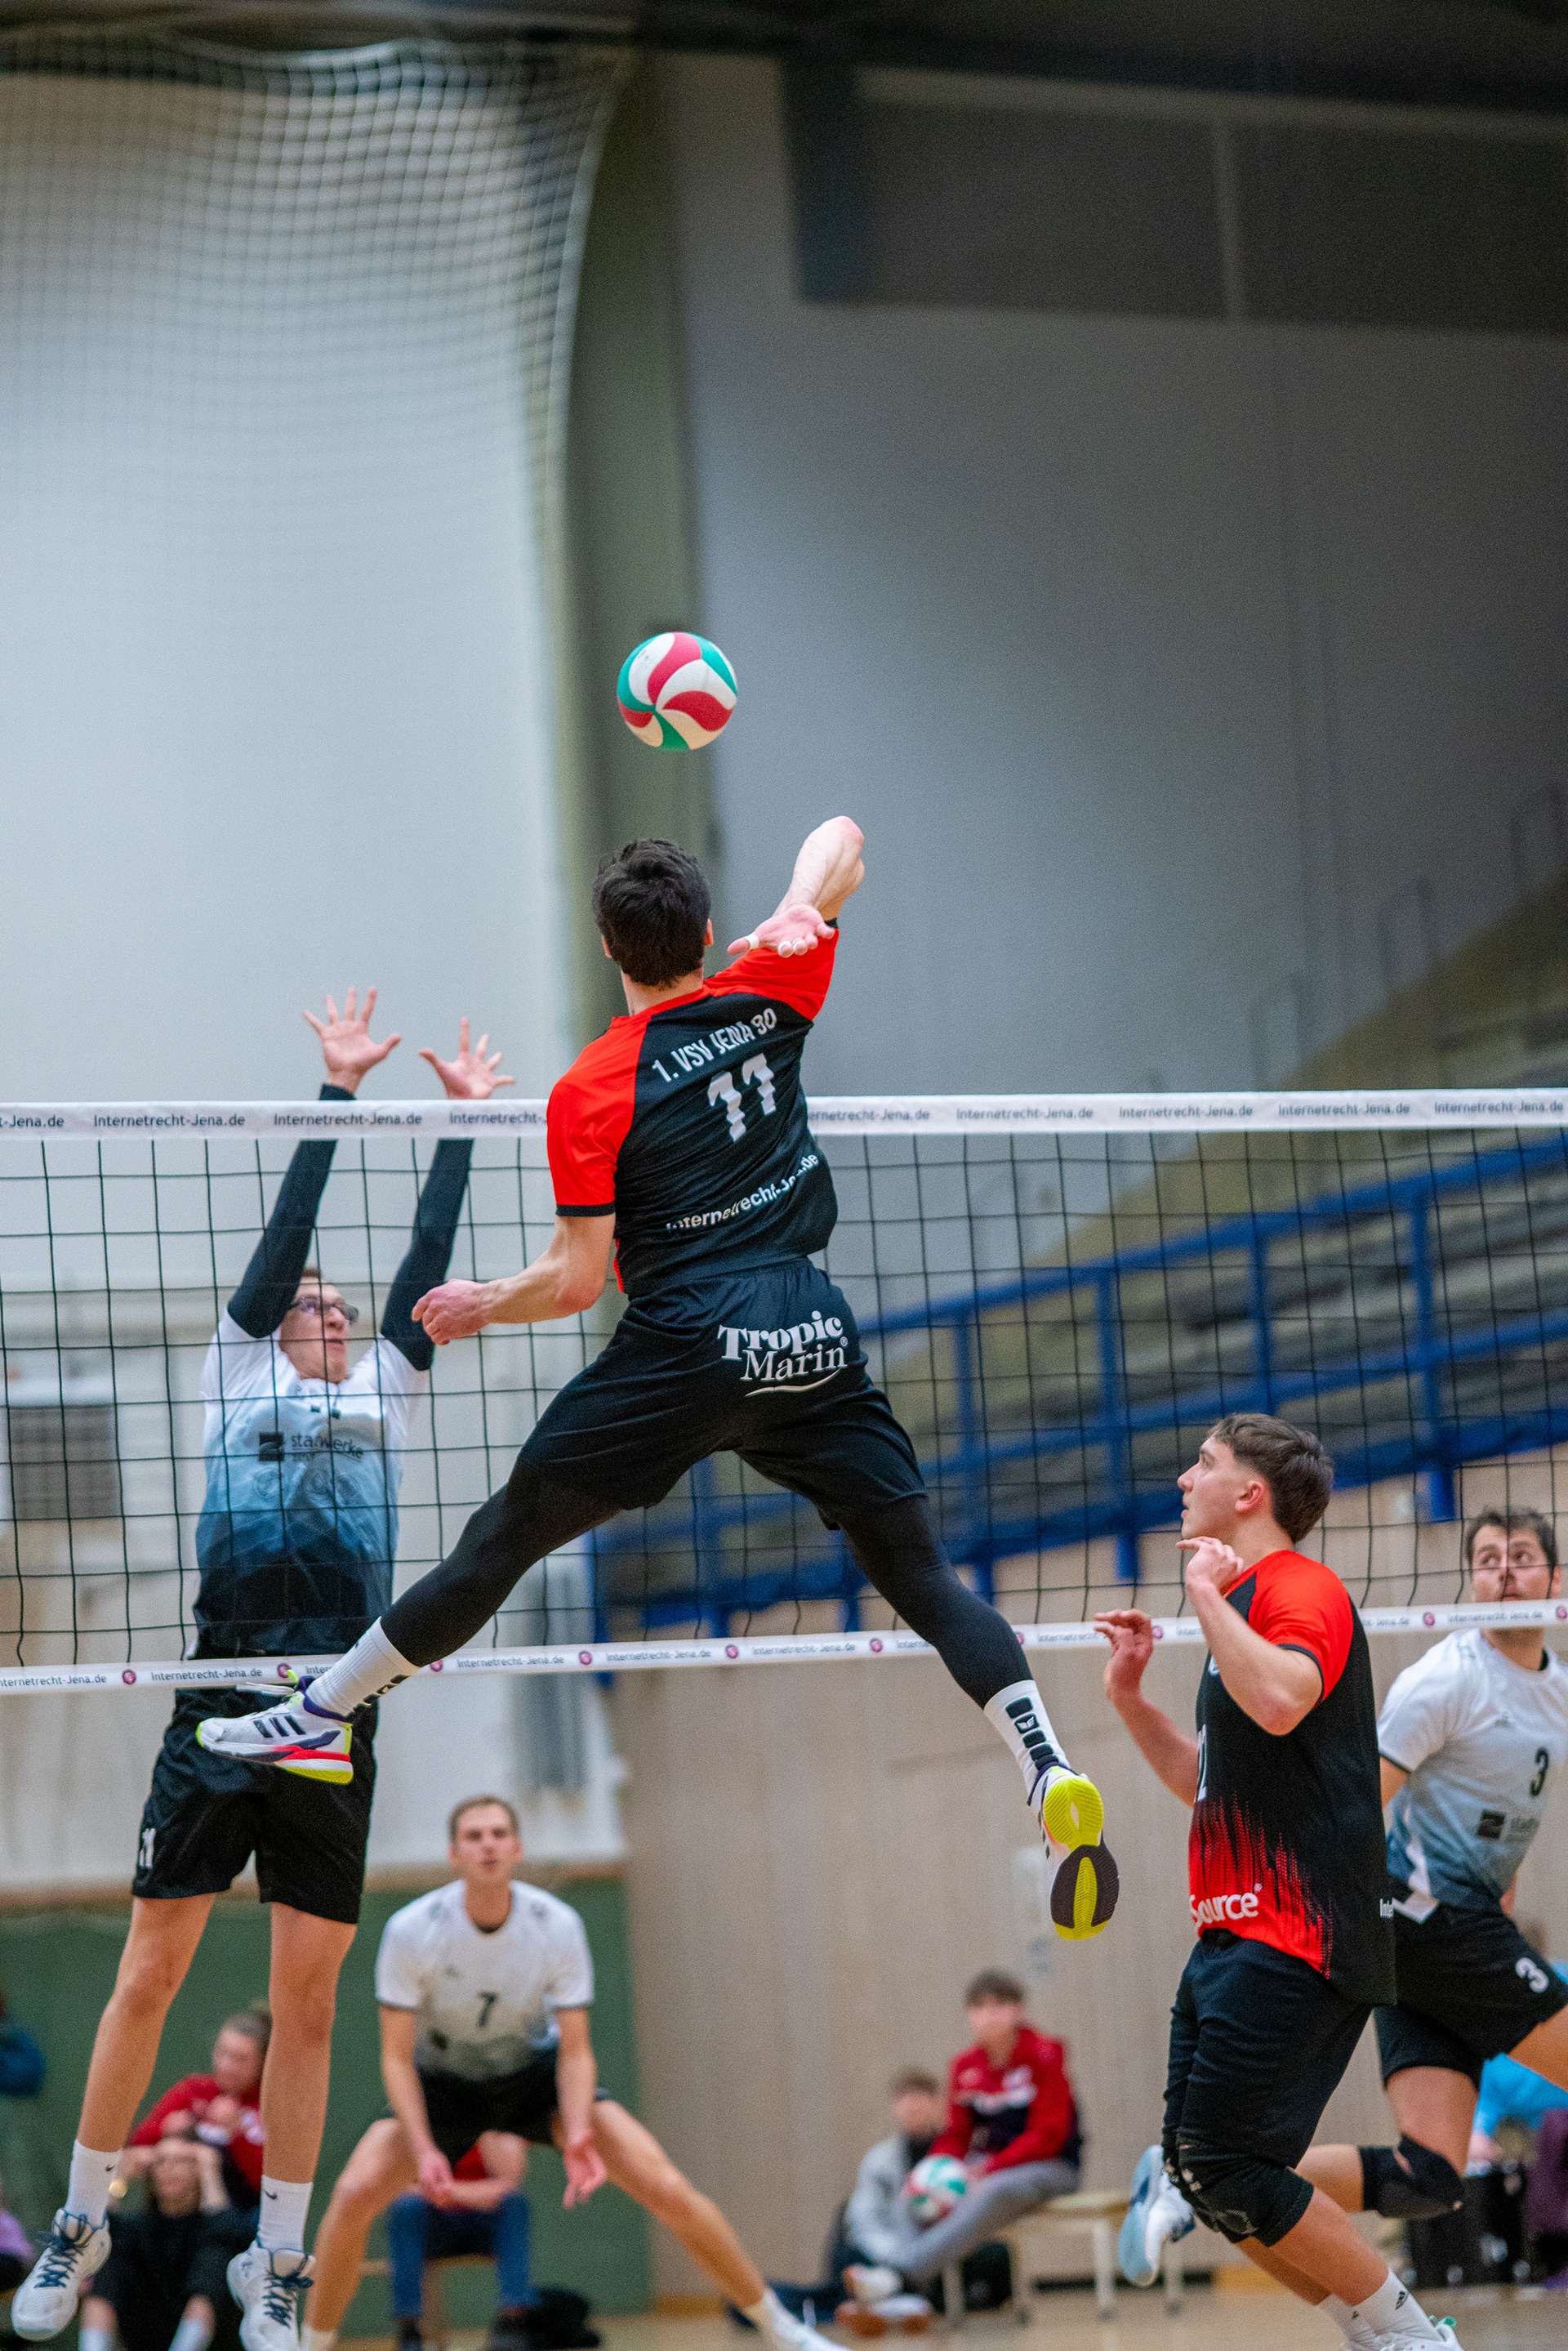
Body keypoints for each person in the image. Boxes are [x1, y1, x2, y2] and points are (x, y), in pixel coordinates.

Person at [199, 826, 1116, 1933]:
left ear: (607, 947)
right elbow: (845, 839)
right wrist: (800, 903)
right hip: (810, 1329)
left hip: (688, 1343)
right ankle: (1044, 1761)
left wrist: (488, 1299)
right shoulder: (768, 980)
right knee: (920, 1570)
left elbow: (579, 1281)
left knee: (505, 1535)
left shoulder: (591, 1086)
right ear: (708, 931)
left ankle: (323, 1713)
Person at [14, 994, 511, 2351]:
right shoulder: (234, 1373)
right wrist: (336, 1094)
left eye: (343, 1306)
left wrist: (462, 1124)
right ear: (271, 1322)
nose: (332, 1310)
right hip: (223, 1696)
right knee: (150, 1970)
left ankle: (278, 2257)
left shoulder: (387, 1388)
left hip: (333, 1707)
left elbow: (425, 1264)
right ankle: (81, 2216)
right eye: (313, 1302)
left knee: (307, 1996)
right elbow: (290, 1237)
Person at [1099, 1414, 1465, 2351]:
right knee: (1204, 2169)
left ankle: (1416, 2336)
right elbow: (1203, 1778)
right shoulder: (1240, 1607)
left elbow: (1279, 1697)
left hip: (1302, 1930)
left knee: (1227, 2159)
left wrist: (1203, 1596)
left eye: (1205, 1463)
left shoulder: (1301, 1588)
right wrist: (1129, 1697)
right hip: (1232, 1932)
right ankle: (1372, 2331)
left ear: (1250, 1492)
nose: (1185, 1479)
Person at [299, 1795, 837, 2351]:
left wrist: (578, 2131)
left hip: (536, 2079)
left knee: (667, 2188)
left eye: (499, 1833)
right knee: (354, 2193)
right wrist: (423, 2147)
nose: (488, 1845)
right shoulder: (413, 1929)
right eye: (474, 1836)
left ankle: (784, 2331)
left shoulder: (556, 1924)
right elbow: (395, 2056)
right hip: (444, 2085)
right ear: (454, 1853)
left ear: (517, 1848)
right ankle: (310, 2345)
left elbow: (576, 2050)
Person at [1276, 1510, 1568, 2251]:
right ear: (1472, 1581)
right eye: (1488, 1559)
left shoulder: (1558, 1692)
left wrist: (1501, 1899)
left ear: (1555, 1580)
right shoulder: (1445, 1680)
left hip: (1451, 1929)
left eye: (1522, 1556)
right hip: (1424, 1917)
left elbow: (1509, 1814)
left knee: (1428, 2177)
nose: (1505, 1571)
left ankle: (1208, 2174)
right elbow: (1355, 1812)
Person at [841, 1973, 1079, 2324]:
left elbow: (1048, 2135)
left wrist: (990, 2168)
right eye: (980, 2007)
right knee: (913, 2193)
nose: (990, 2015)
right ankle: (911, 2300)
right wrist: (932, 2170)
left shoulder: (1046, 2053)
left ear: (1019, 2011)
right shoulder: (965, 2066)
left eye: (999, 2005)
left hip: (1050, 2167)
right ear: (969, 2015)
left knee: (993, 2191)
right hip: (987, 2168)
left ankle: (898, 2278)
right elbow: (956, 2135)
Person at [80, 2135, 250, 2351]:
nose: (168, 2168)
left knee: (215, 2256)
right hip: (145, 2328)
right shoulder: (136, 2227)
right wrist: (120, 2174)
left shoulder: (217, 2227)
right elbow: (99, 2226)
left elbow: (221, 2229)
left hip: (212, 2339)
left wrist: (210, 2170)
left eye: (180, 2161)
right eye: (160, 2161)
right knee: (109, 2259)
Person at [385, 2131, 532, 2351]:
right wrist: (477, 2194)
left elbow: (508, 2187)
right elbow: (404, 2187)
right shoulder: (420, 2129)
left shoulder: (498, 2127)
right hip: (434, 2229)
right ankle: (409, 2330)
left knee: (515, 2204)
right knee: (405, 2208)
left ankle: (512, 2324)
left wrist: (446, 2191)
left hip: (486, 2228)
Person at [122, 2011, 270, 2211]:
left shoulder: (267, 2107)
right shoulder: (193, 2090)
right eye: (222, 2053)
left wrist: (236, 2134)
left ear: (262, 2063)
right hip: (173, 2213)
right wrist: (167, 2130)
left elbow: (267, 2184)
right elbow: (138, 2143)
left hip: (239, 2215)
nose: (226, 2065)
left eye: (240, 2059)